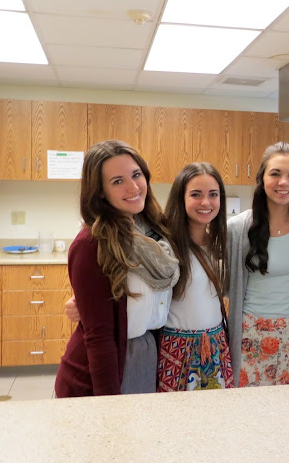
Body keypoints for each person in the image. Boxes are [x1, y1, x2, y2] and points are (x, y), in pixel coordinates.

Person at [55, 140, 179, 397]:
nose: (133, 187)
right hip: (98, 376)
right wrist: (109, 405)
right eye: (117, 181)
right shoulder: (92, 243)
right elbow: (99, 336)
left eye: (136, 175)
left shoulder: (155, 232)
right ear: (100, 191)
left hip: (144, 358)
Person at [227, 142, 289, 388]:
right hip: (249, 336)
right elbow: (224, 284)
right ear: (262, 178)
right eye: (275, 174)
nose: (284, 182)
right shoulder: (237, 228)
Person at [157, 162, 233, 391]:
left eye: (213, 194)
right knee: (178, 412)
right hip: (176, 351)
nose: (206, 202)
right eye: (196, 194)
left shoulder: (220, 244)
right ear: (181, 198)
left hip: (216, 348)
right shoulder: (165, 245)